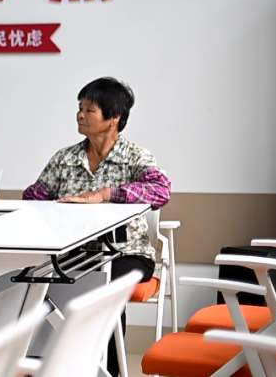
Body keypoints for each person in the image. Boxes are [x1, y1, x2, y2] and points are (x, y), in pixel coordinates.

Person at [22, 77, 171, 377]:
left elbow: (161, 192)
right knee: (30, 280)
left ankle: (109, 370)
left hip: (127, 254)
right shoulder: (65, 159)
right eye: (80, 108)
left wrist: (107, 194)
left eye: (89, 110)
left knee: (102, 286)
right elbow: (33, 198)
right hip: (74, 253)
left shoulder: (135, 157)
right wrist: (52, 208)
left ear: (114, 117)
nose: (80, 115)